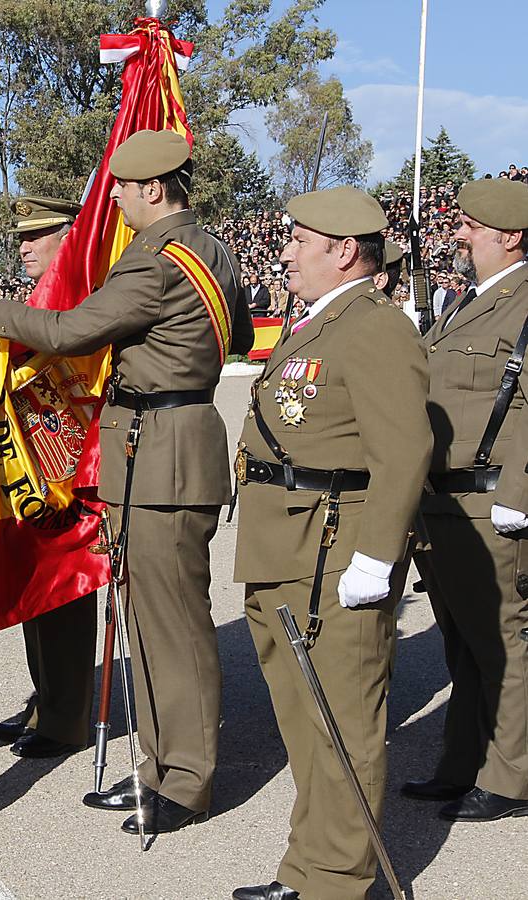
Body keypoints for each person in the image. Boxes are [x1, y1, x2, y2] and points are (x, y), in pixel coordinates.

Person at [0, 129, 254, 835]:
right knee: (154, 627)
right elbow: (237, 334)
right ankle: (161, 764)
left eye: (120, 189)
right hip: (167, 450)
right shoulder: (210, 249)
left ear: (153, 189)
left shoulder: (152, 262)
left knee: (171, 630)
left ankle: (182, 781)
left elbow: (70, 331)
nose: (113, 201)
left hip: (161, 459)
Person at [231, 187, 431, 900]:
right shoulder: (320, 322)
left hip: (332, 552)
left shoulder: (373, 326)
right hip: (286, 545)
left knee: (341, 722)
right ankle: (309, 869)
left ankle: (335, 883)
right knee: (307, 723)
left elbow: (405, 449)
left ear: (344, 251)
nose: (283, 251)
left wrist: (377, 557)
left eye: (298, 240)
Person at [406, 178, 528, 823]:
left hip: (490, 502)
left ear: (509, 237)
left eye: (472, 225)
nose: (459, 232)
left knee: (503, 639)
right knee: (462, 643)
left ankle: (510, 776)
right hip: (442, 501)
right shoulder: (467, 302)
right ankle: (462, 764)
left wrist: (520, 492)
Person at [0, 195, 99, 760]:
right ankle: (46, 699)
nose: (24, 247)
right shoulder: (40, 297)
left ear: (68, 238)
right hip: (31, 463)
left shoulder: (82, 297)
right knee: (39, 593)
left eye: (38, 236)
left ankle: (67, 718)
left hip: (68, 468)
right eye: (21, 238)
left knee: (66, 591)